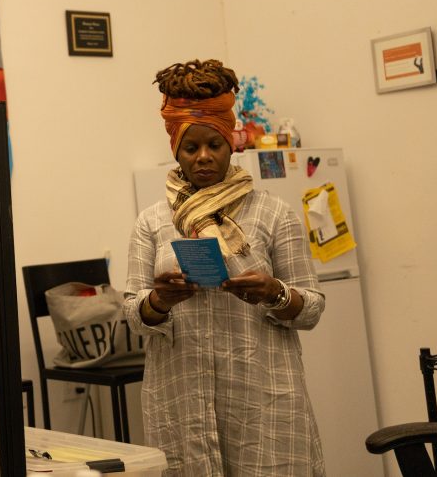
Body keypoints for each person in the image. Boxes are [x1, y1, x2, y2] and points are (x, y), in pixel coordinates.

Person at [123, 59, 326, 476]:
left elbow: (312, 308)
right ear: (176, 151)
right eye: (191, 148)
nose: (203, 157)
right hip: (183, 404)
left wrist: (274, 293)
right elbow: (132, 314)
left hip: (263, 402)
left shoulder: (274, 213)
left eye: (213, 145)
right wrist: (159, 300)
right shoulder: (152, 222)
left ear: (230, 145)